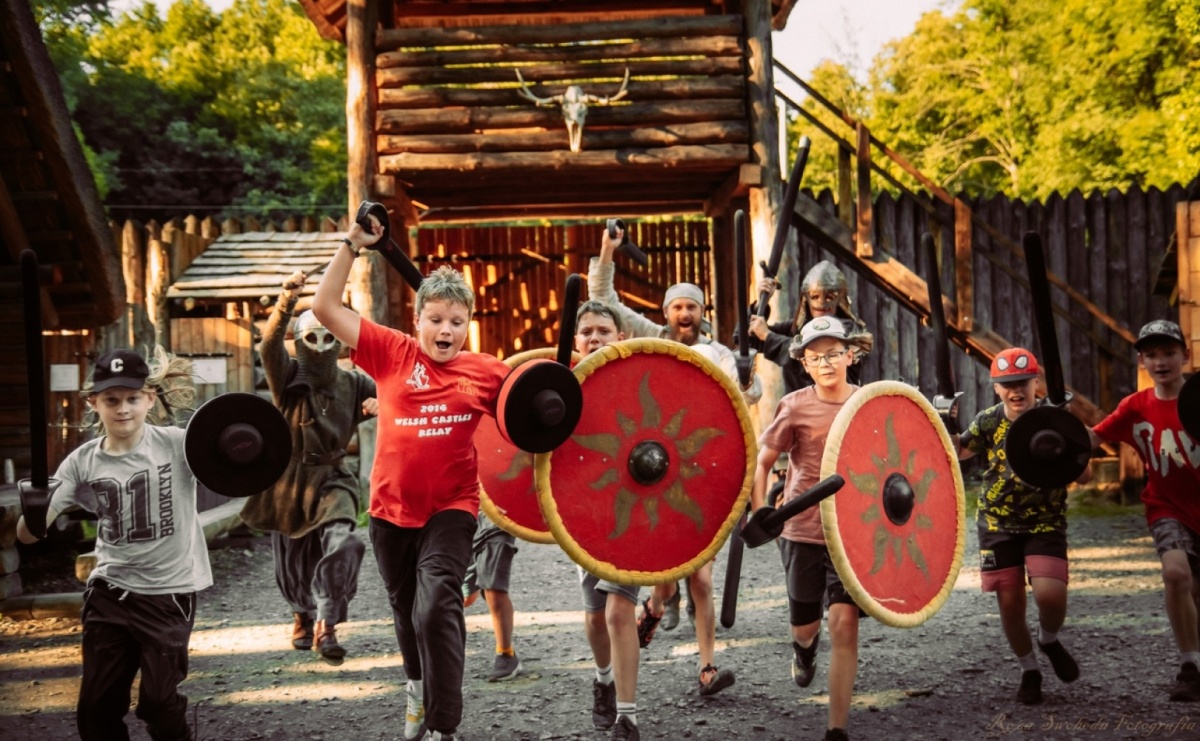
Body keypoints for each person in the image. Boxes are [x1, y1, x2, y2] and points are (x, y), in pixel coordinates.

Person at [313, 222, 511, 741]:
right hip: (389, 510)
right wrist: (352, 244)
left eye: (457, 321)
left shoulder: (486, 371)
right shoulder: (391, 351)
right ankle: (416, 693)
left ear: (469, 325)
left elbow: (536, 408)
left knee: (435, 606)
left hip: (453, 507)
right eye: (437, 319)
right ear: (417, 319)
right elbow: (325, 308)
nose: (446, 330)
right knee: (404, 611)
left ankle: (445, 724)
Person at [588, 224, 760, 697]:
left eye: (692, 307)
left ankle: (706, 667)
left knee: (701, 578)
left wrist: (747, 378)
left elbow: (745, 398)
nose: (685, 314)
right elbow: (601, 296)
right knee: (662, 574)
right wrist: (608, 248)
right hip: (645, 467)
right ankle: (656, 607)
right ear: (666, 312)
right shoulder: (648, 337)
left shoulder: (718, 353)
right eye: (678, 306)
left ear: (703, 313)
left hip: (696, 473)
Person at [17, 347, 207, 741]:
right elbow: (29, 533)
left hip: (168, 595)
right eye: (111, 400)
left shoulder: (177, 444)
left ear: (149, 399)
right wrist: (34, 509)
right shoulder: (82, 462)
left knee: (158, 702)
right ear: (94, 403)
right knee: (97, 711)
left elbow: (237, 458)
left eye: (132, 398)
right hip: (110, 592)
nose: (123, 409)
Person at [239, 272, 377, 664]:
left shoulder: (353, 383)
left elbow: (396, 389)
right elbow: (268, 344)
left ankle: (327, 622)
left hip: (333, 477)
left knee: (345, 540)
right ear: (299, 342)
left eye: (327, 337)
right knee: (293, 557)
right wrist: (287, 299)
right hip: (289, 479)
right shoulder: (287, 379)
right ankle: (302, 614)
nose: (319, 345)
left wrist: (386, 402)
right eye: (311, 338)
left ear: (338, 341)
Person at [750, 318, 866, 741]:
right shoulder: (795, 405)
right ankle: (804, 650)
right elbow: (763, 462)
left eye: (834, 353)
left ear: (850, 356)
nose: (827, 362)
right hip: (801, 528)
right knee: (807, 627)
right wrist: (761, 508)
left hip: (852, 531)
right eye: (817, 357)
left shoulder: (869, 401)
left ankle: (836, 729)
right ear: (804, 363)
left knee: (844, 623)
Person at [954, 347, 1085, 705]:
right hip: (997, 524)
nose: (1016, 391)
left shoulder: (1053, 418)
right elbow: (956, 451)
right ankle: (1029, 669)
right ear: (996, 387)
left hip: (1045, 522)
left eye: (1023, 383)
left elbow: (1085, 473)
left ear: (1036, 383)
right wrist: (944, 421)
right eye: (1007, 384)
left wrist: (1070, 435)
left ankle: (1048, 639)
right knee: (1010, 605)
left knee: (1050, 595)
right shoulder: (989, 420)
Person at [1089, 320, 1200, 701]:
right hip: (1166, 507)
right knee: (1175, 574)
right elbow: (1091, 439)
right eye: (1152, 355)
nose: (1161, 361)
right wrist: (1054, 422)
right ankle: (1190, 666)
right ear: (1142, 362)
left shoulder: (1199, 396)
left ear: (1185, 355)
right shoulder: (1135, 407)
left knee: (1196, 595)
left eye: (1169, 352)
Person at [569, 300, 644, 740]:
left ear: (620, 337)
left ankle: (627, 717)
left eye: (602, 330)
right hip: (583, 515)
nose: (594, 338)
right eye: (586, 332)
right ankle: (604, 680)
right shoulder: (562, 388)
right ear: (576, 341)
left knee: (619, 612)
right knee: (596, 616)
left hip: (634, 511)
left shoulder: (639, 379)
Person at [745, 260, 873, 393]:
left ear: (840, 300)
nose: (821, 303)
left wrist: (767, 336)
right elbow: (745, 339)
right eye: (815, 296)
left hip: (839, 409)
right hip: (801, 409)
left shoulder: (848, 330)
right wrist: (760, 304)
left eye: (829, 297)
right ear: (806, 299)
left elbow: (809, 357)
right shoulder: (798, 328)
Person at [462, 511, 521, 682]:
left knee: (494, 590)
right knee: (464, 598)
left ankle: (505, 653)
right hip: (461, 510)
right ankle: (483, 575)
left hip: (498, 514)